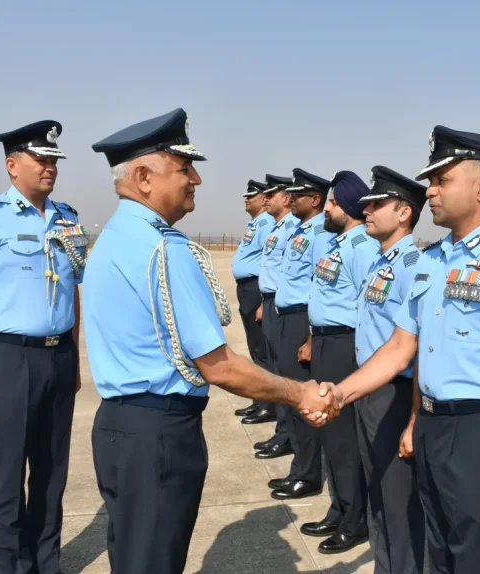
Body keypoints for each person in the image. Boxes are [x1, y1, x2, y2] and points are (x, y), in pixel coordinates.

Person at [83, 109, 337, 574]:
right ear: (142, 176)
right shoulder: (163, 248)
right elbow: (218, 366)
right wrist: (299, 392)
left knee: (134, 557)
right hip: (157, 435)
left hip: (118, 427)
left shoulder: (114, 238)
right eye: (183, 168)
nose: (195, 178)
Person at [312, 126, 480, 573]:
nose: (431, 190)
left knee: (475, 558)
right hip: (430, 427)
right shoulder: (430, 261)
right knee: (436, 553)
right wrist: (342, 395)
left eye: (443, 180)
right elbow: (403, 347)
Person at [0, 120, 84, 574]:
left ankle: (48, 564)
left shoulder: (67, 218)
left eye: (54, 161)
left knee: (51, 477)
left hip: (57, 358)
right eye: (41, 160)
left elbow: (73, 289)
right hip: (9, 358)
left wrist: (73, 354)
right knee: (7, 479)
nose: (51, 168)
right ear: (12, 165)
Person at [296, 171, 377, 554]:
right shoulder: (338, 242)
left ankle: (355, 520)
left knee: (344, 439)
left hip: (346, 345)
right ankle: (339, 507)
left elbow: (365, 303)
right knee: (329, 434)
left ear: (347, 206)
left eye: (331, 202)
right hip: (326, 343)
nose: (326, 208)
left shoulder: (361, 246)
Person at [354, 165, 428, 573]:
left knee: (399, 503)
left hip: (396, 394)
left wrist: (413, 417)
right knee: (378, 496)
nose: (367, 210)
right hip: (371, 390)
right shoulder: (379, 261)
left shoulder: (412, 265)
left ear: (403, 213)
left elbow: (411, 348)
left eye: (377, 204)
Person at [268, 168, 335, 500]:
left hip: (301, 322)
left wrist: (310, 336)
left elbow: (320, 287)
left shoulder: (321, 233)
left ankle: (308, 474)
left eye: (299, 194)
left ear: (316, 199)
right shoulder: (301, 230)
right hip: (286, 317)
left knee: (301, 397)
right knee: (288, 392)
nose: (291, 198)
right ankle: (300, 466)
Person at [252, 173, 300, 459]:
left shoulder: (296, 228)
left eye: (272, 194)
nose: (265, 199)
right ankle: (282, 431)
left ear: (286, 198)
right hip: (271, 302)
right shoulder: (277, 227)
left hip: (286, 307)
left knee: (284, 372)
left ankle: (286, 435)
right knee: (273, 367)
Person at [230, 179, 275, 424]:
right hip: (247, 289)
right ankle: (260, 401)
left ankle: (268, 405)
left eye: (251, 195)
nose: (246, 199)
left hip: (256, 289)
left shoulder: (267, 223)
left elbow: (269, 261)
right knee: (256, 349)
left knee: (263, 349)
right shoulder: (256, 223)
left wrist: (262, 301)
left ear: (264, 199)